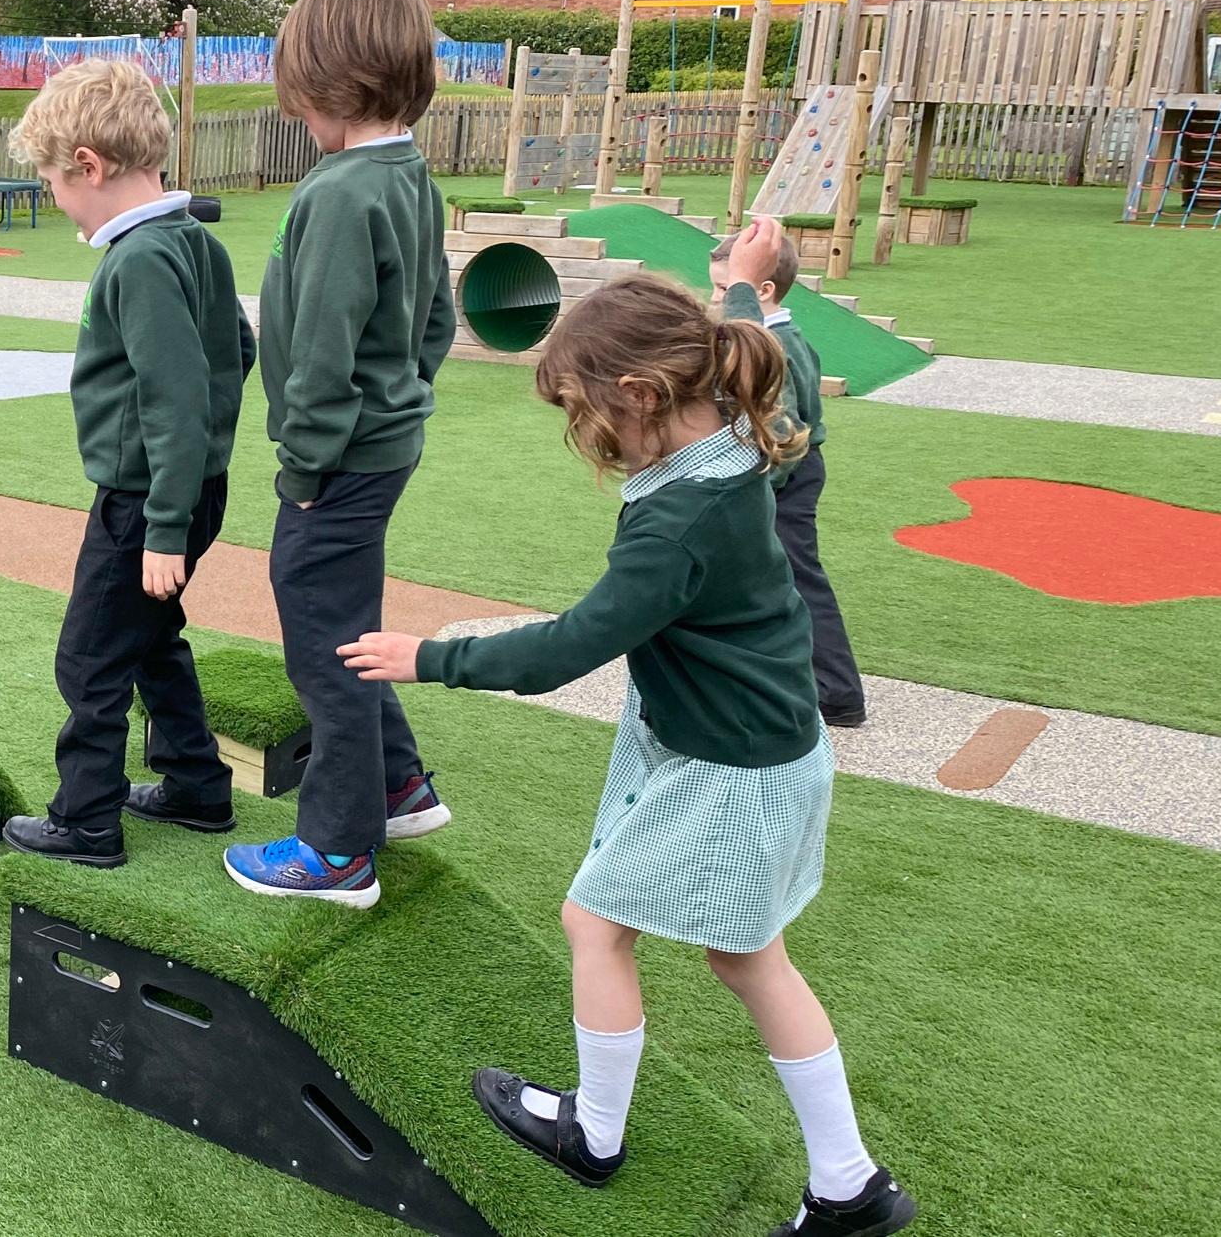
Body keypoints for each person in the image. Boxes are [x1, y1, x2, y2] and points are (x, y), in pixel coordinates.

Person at [338, 244, 915, 1237]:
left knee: (594, 925)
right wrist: (737, 285)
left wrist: (429, 656)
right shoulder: (740, 433)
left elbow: (564, 648)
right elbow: (760, 343)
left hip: (732, 767)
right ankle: (848, 1183)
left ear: (643, 393)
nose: (579, 430)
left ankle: (598, 1135)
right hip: (747, 742)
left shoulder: (678, 522)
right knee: (745, 960)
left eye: (580, 409)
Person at [221, 0, 456, 908]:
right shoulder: (411, 178)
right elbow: (435, 319)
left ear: (333, 82)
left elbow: (318, 352)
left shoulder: (339, 191)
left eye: (297, 94)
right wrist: (405, 392)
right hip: (388, 442)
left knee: (321, 637)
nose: (293, 114)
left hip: (340, 457)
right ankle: (397, 786)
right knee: (348, 623)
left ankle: (337, 849)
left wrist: (306, 463)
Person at [0, 59, 253, 868]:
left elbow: (174, 397)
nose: (58, 201)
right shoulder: (194, 242)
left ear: (89, 166)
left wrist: (164, 525)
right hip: (188, 485)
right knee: (151, 639)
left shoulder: (137, 260)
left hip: (146, 500)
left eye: (52, 183)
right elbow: (236, 351)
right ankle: (197, 786)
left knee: (91, 655)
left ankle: (86, 821)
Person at [709, 232, 866, 727]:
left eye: (723, 288)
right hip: (794, 471)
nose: (714, 299)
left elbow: (785, 432)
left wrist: (757, 492)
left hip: (785, 479)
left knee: (799, 578)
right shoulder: (790, 335)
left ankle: (837, 693)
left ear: (763, 291)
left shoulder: (773, 343)